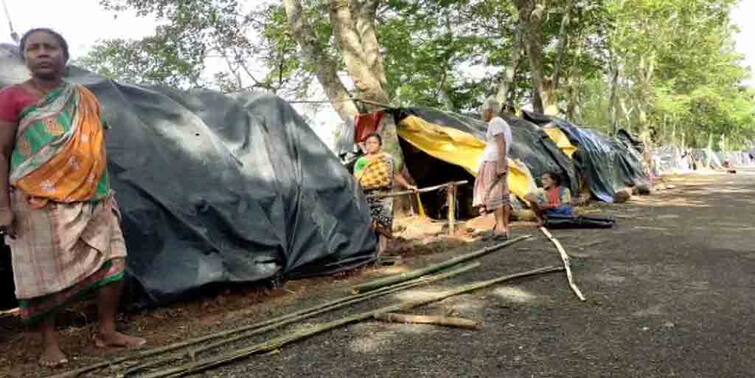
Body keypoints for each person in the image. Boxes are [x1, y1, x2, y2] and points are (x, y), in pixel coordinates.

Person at [0, 28, 145, 367]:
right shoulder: (12, 97)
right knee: (41, 275)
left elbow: (94, 147)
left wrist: (101, 187)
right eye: (33, 48)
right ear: (25, 58)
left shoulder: (84, 97)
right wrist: (3, 208)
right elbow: (1, 151)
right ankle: (48, 343)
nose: (42, 53)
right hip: (36, 200)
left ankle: (107, 331)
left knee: (114, 261)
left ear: (65, 56)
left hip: (93, 197)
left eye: (50, 47)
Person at [354, 133, 416, 257]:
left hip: (384, 195)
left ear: (380, 145)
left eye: (374, 142)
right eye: (368, 143)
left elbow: (395, 174)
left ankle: (383, 253)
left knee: (385, 222)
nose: (371, 145)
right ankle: (370, 253)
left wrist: (408, 186)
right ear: (365, 146)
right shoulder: (361, 161)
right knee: (369, 224)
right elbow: (356, 179)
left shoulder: (387, 159)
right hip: (367, 196)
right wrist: (355, 194)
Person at [473, 97, 513, 239]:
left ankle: (500, 229)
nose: (482, 114)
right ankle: (503, 228)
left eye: (483, 111)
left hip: (493, 161)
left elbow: (501, 143)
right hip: (498, 160)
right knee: (502, 196)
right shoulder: (502, 123)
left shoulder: (495, 122)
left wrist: (500, 163)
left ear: (489, 111)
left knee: (494, 196)